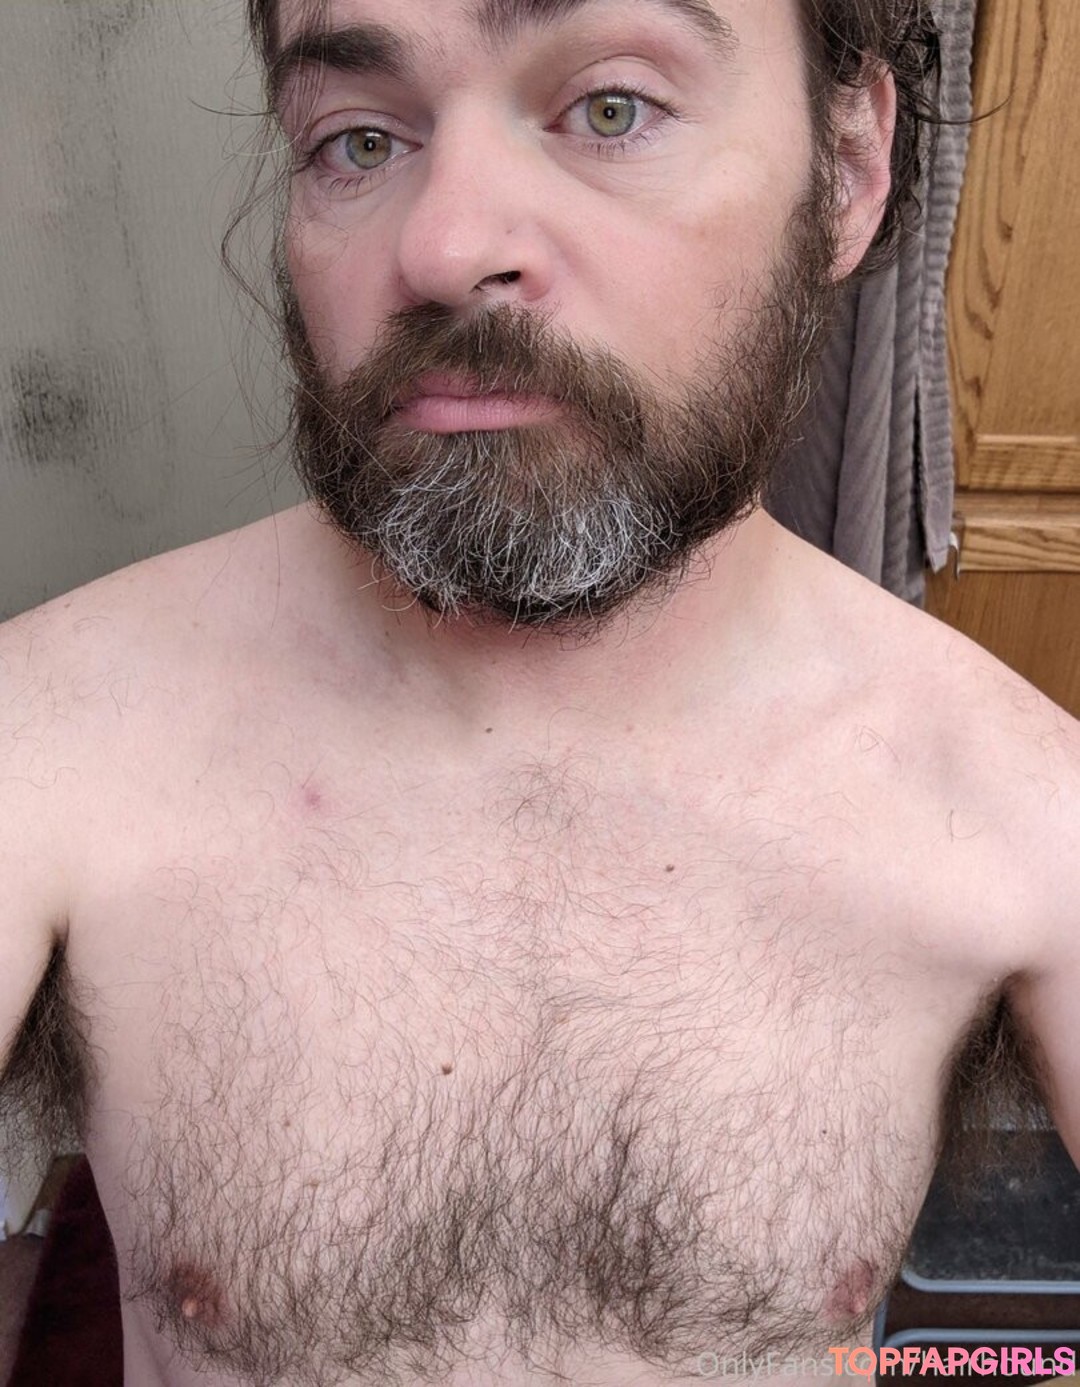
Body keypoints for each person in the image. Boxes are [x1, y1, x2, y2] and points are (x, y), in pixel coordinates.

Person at [1, 0, 1077, 1383]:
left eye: (612, 109)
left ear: (850, 166)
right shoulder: (50, 744)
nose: (445, 247)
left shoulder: (1018, 812)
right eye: (359, 140)